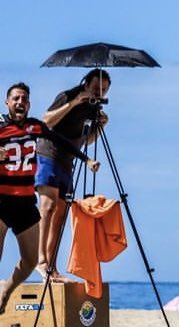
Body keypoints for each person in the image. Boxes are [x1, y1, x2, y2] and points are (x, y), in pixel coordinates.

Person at [0, 82, 100, 313]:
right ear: (7, 102)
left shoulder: (35, 127)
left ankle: (5, 291)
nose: (20, 102)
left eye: (24, 99)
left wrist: (86, 160)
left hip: (25, 202)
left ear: (29, 104)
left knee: (31, 260)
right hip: (2, 199)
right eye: (15, 98)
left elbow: (61, 141)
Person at [35, 68, 111, 282]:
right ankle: (40, 261)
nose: (99, 93)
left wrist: (100, 127)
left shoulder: (93, 109)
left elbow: (85, 141)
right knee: (48, 207)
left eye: (104, 90)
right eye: (96, 88)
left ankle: (51, 267)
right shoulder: (67, 96)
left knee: (61, 214)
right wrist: (74, 102)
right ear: (86, 83)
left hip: (68, 160)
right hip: (48, 153)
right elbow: (46, 122)